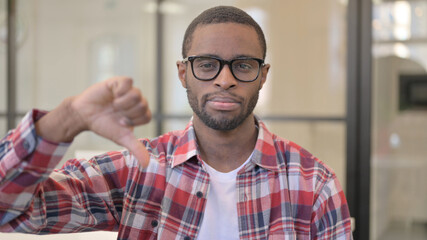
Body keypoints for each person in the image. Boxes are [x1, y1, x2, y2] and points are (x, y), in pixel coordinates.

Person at [0, 5, 353, 240]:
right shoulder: (139, 170)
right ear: (183, 73)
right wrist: (69, 118)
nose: (225, 80)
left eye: (243, 65)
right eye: (207, 64)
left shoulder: (313, 184)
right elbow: (9, 210)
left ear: (263, 76)